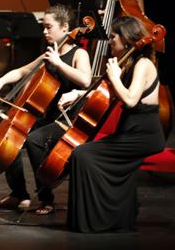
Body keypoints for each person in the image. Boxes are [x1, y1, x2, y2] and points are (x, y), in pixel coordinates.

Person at [58, 16, 164, 232]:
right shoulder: (129, 62)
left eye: (113, 37)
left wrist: (115, 77)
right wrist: (79, 93)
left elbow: (131, 100)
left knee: (84, 154)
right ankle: (114, 218)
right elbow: (107, 92)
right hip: (130, 133)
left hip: (144, 136)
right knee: (84, 153)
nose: (110, 41)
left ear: (126, 39)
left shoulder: (143, 64)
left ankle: (95, 221)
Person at [0, 4, 91, 215]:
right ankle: (19, 194)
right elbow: (22, 71)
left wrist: (59, 63)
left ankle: (46, 198)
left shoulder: (79, 54)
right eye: (43, 27)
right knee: (11, 134)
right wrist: (0, 81)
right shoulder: (50, 53)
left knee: (34, 140)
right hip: (48, 118)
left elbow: (86, 81)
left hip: (69, 121)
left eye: (48, 27)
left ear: (65, 27)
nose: (44, 32)